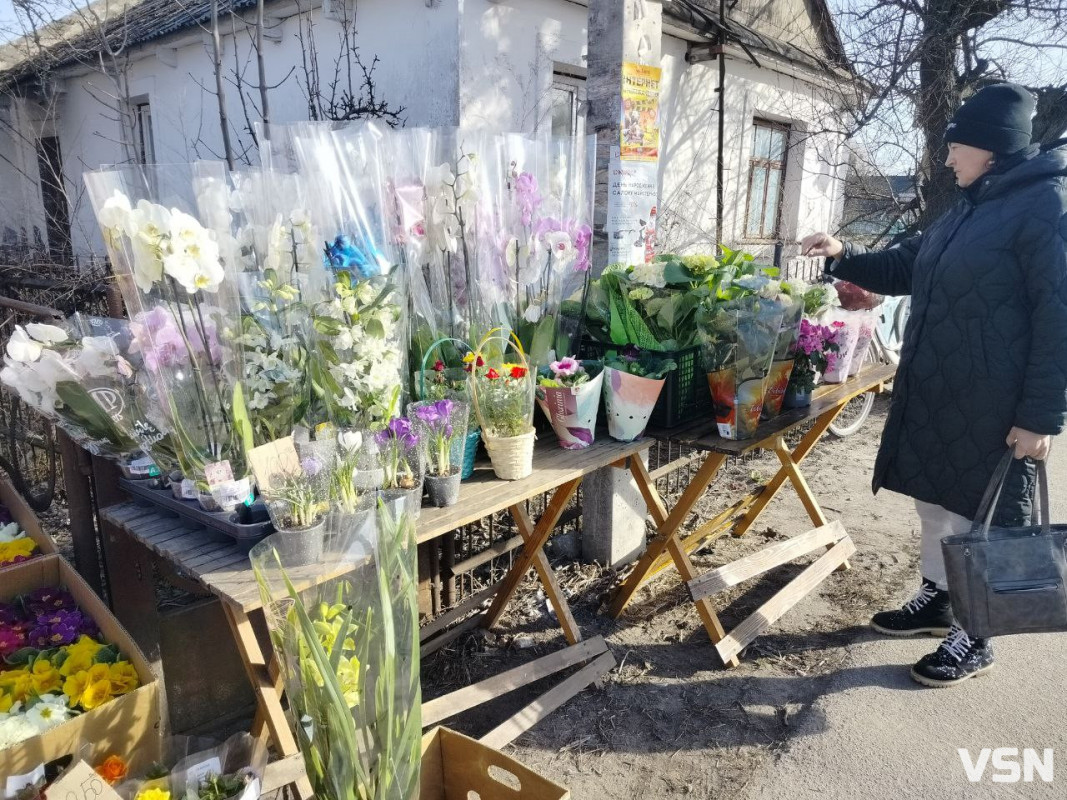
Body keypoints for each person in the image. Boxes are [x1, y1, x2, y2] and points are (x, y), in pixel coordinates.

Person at [801, 83, 1067, 688]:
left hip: (997, 404)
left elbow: (1060, 318)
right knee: (937, 506)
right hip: (944, 389)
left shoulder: (1047, 207)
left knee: (983, 518)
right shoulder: (975, 204)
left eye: (956, 147)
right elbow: (911, 264)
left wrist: (1040, 419)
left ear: (990, 148)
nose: (948, 158)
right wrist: (845, 254)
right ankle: (940, 599)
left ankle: (977, 636)